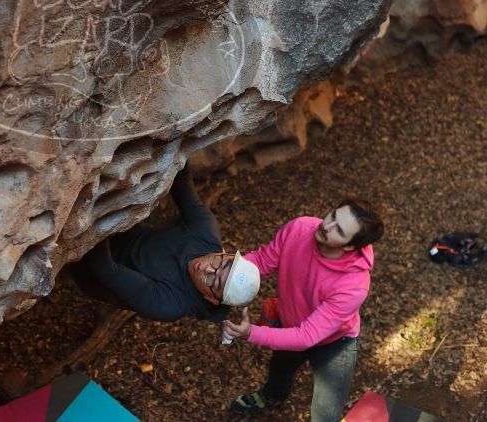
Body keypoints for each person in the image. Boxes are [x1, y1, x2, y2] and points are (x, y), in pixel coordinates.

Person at [222, 199, 385, 421]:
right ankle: (272, 396)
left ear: (349, 246)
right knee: (279, 369)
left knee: (326, 408)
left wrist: (250, 333)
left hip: (335, 343)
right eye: (332, 216)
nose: (325, 226)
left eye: (338, 229)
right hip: (290, 323)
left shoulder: (354, 285)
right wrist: (226, 275)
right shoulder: (300, 228)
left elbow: (306, 336)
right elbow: (261, 261)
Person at [72, 163, 260, 323]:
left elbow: (105, 269)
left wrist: (99, 209)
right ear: (225, 253)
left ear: (211, 299)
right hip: (128, 236)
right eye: (219, 263)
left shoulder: (170, 304)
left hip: (91, 268)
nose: (207, 269)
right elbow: (182, 183)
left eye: (213, 281)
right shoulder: (206, 233)